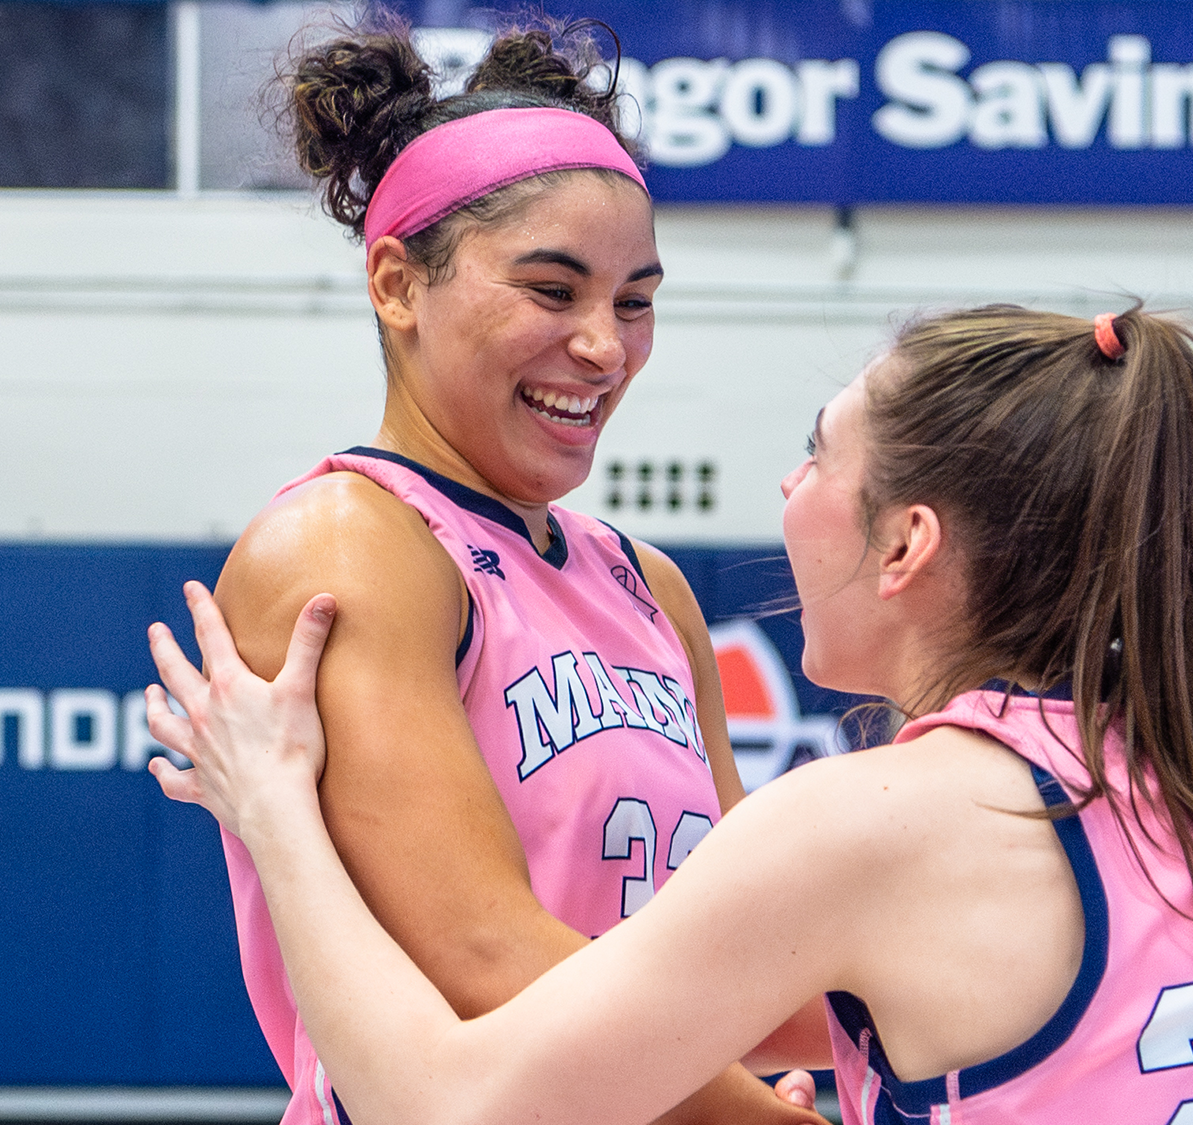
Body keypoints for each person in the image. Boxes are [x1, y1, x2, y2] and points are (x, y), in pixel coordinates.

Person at [144, 303, 1193, 1125]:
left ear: (905, 544)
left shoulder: (888, 822)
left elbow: (449, 1108)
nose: (785, 486)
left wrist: (275, 817)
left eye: (815, 456)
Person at [205, 20, 814, 1125]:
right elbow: (480, 960)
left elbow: (739, 949)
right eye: (552, 289)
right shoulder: (350, 542)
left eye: (635, 301)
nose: (604, 346)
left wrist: (952, 1016)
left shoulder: (647, 583)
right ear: (397, 284)